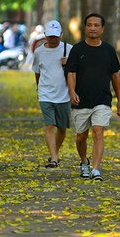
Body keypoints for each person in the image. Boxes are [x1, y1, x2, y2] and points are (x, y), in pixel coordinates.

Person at [65, 13, 120, 181]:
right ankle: (84, 162)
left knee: (98, 132)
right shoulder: (77, 50)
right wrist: (72, 92)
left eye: (96, 25)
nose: (93, 28)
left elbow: (115, 76)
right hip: (81, 100)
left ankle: (96, 169)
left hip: (102, 99)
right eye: (89, 25)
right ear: (85, 28)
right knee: (81, 136)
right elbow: (71, 73)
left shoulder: (109, 50)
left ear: (102, 29)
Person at [32, 20, 72, 168]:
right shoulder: (39, 52)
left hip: (64, 94)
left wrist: (69, 63)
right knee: (50, 126)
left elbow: (77, 72)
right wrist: (39, 89)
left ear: (61, 34)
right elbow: (37, 72)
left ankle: (54, 152)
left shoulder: (69, 49)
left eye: (55, 36)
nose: (53, 39)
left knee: (62, 128)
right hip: (45, 94)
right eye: (50, 36)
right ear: (45, 36)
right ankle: (54, 159)